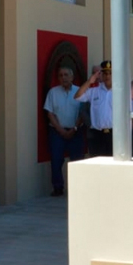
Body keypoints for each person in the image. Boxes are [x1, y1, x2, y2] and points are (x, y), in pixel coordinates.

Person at [43, 66, 84, 197]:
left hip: (76, 131)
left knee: (77, 161)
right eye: (60, 75)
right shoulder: (53, 93)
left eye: (66, 75)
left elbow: (83, 113)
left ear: (72, 77)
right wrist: (60, 130)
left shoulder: (80, 92)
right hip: (57, 132)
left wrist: (74, 128)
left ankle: (78, 189)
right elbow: (50, 113)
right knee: (56, 160)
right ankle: (58, 188)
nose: (63, 77)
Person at [75, 61, 113, 157]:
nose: (107, 76)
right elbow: (77, 97)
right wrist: (89, 81)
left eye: (110, 73)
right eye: (105, 73)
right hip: (97, 135)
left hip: (114, 135)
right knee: (97, 166)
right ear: (101, 75)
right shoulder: (94, 91)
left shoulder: (121, 91)